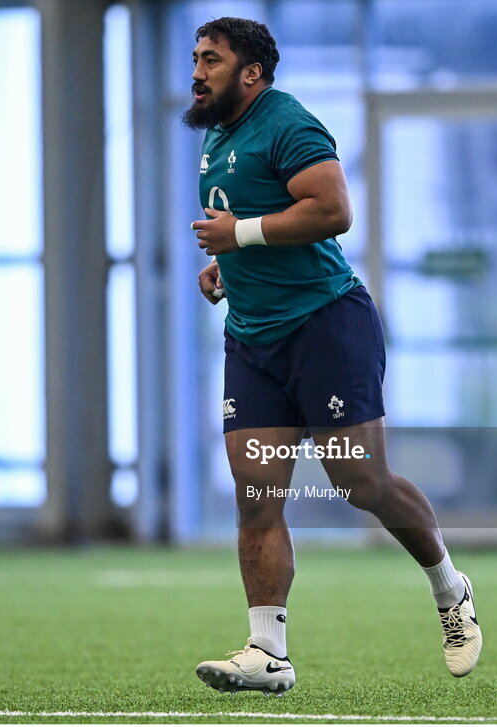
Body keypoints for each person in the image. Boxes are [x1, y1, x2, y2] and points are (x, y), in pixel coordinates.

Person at [186, 18, 482, 695]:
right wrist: (229, 269)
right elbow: (253, 226)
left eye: (212, 59)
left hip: (326, 325)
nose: (198, 70)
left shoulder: (290, 123)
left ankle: (450, 588)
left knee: (359, 480)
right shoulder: (218, 134)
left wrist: (240, 233)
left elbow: (333, 210)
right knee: (256, 491)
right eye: (195, 58)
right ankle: (268, 650)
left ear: (252, 72)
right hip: (253, 335)